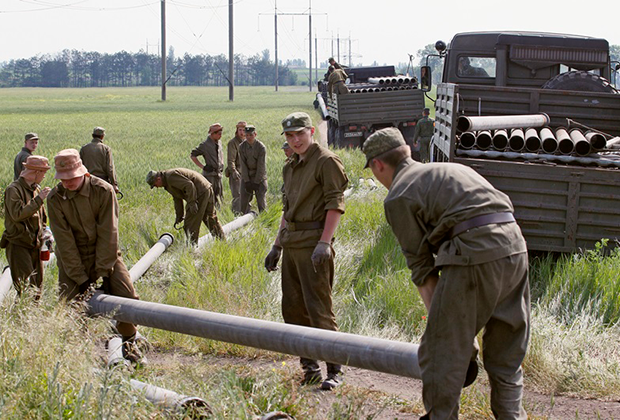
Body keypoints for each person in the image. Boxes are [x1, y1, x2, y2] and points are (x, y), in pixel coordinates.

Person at [362, 127, 529, 419]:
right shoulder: (449, 169)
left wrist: (451, 334)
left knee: (439, 352)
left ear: (378, 165)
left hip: (474, 252)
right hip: (515, 247)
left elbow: (423, 269)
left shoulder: (399, 194)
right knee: (506, 357)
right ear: (408, 152)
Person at [264, 112, 349, 390]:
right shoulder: (290, 167)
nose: (295, 139)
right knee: (293, 309)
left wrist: (325, 242)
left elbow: (335, 204)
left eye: (300, 133)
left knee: (319, 309)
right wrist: (277, 246)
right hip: (292, 244)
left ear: (312, 131)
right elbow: (288, 211)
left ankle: (334, 370)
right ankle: (309, 367)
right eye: (290, 135)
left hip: (315, 243)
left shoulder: (326, 162)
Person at [47, 149, 144, 363]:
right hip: (73, 261)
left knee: (127, 300)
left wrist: (102, 273)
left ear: (83, 172)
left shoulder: (103, 191)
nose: (68, 182)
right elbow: (65, 244)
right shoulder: (55, 199)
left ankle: (130, 346)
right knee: (70, 306)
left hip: (107, 256)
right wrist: (81, 279)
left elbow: (109, 234)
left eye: (72, 177)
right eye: (63, 179)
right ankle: (78, 358)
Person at [1, 156, 52, 299]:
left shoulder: (36, 189)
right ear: (35, 172)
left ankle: (33, 318)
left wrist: (46, 232)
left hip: (35, 245)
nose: (44, 176)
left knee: (37, 288)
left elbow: (41, 217)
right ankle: (21, 319)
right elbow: (18, 214)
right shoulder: (14, 190)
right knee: (25, 289)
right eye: (43, 172)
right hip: (19, 245)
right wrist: (38, 199)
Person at [146, 168, 225, 244]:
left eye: (155, 185)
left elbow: (189, 185)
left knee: (190, 222)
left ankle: (192, 247)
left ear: (158, 179)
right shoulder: (167, 181)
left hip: (200, 192)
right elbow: (177, 198)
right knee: (210, 218)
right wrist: (179, 216)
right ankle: (222, 241)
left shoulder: (170, 177)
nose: (156, 187)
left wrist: (192, 203)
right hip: (206, 188)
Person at [191, 123, 225, 207]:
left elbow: (221, 153)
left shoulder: (219, 142)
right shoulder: (204, 145)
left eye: (221, 133)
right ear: (213, 134)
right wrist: (203, 167)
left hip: (218, 175)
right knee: (210, 197)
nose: (220, 135)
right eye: (218, 134)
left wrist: (222, 163)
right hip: (209, 175)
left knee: (220, 196)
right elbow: (193, 155)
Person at [79, 127, 120, 193]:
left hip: (87, 181)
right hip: (102, 182)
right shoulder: (106, 149)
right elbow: (110, 168)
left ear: (92, 136)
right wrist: (114, 184)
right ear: (102, 136)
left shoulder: (84, 149)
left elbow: (79, 166)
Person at [239, 125, 268, 214]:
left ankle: (265, 221)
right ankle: (243, 219)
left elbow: (261, 166)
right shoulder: (242, 147)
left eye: (250, 135)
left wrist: (256, 182)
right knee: (243, 200)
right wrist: (247, 181)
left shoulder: (261, 147)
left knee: (261, 201)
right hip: (247, 175)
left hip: (259, 177)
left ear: (255, 134)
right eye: (246, 135)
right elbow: (242, 165)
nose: (248, 137)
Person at [226, 121, 247, 215]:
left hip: (246, 173)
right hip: (237, 172)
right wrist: (234, 171)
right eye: (240, 130)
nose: (242, 132)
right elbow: (231, 160)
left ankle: (246, 214)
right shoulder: (233, 143)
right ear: (237, 130)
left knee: (247, 195)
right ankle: (236, 216)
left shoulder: (247, 142)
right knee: (237, 196)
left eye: (244, 130)